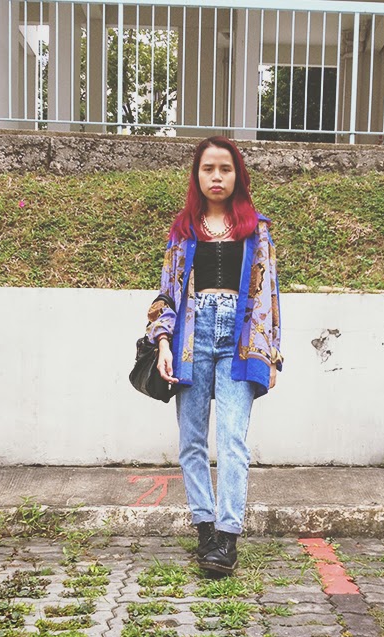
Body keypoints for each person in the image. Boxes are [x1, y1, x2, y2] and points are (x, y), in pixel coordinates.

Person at [146, 136, 283, 575]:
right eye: (208, 169)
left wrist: (272, 354)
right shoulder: (183, 230)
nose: (217, 176)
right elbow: (167, 294)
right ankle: (205, 528)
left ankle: (227, 537)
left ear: (237, 175)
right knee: (191, 441)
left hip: (240, 339)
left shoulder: (257, 230)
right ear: (197, 175)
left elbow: (269, 296)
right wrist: (162, 343)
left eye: (225, 168)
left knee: (232, 440)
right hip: (192, 338)